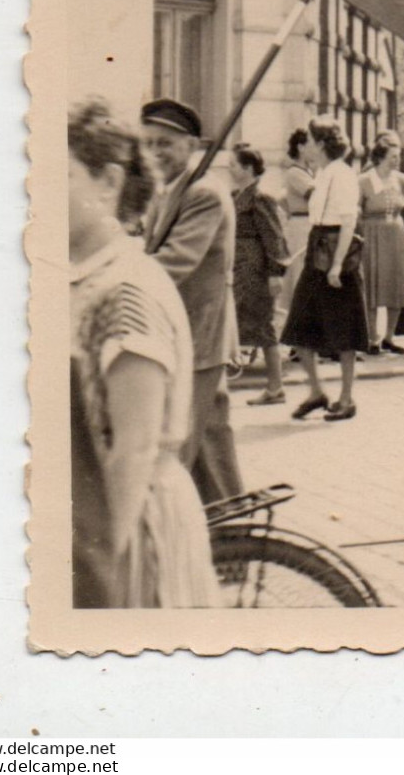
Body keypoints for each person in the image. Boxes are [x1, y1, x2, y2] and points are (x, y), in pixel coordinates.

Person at [69, 99, 219, 607]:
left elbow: (132, 449)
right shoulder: (84, 275)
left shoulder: (125, 290)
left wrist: (96, 570)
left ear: (109, 184)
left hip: (125, 524)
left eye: (54, 176)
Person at [139, 98, 244, 504]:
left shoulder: (205, 194)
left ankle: (190, 544)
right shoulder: (170, 192)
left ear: (192, 146)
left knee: (175, 455)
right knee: (212, 449)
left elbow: (174, 262)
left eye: (164, 144)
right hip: (186, 334)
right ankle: (239, 544)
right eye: (147, 143)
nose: (154, 153)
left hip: (198, 336)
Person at [280, 117, 368, 422]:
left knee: (344, 330)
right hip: (317, 251)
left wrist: (338, 265)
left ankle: (347, 398)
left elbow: (347, 222)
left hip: (334, 259)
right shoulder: (323, 172)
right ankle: (317, 391)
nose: (306, 146)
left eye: (310, 141)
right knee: (299, 328)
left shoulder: (342, 174)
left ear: (320, 144)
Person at [228, 144, 289, 406]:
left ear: (248, 168)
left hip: (255, 267)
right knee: (236, 323)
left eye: (233, 165)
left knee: (263, 325)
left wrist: (276, 273)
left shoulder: (261, 197)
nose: (230, 170)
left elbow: (273, 236)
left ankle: (276, 388)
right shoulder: (236, 194)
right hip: (237, 266)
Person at [359, 136, 404, 355]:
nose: (397, 161)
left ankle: (389, 337)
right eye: (393, 157)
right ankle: (373, 338)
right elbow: (356, 212)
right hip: (372, 235)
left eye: (398, 156)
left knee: (396, 285)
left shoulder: (400, 179)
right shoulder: (363, 180)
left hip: (396, 236)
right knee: (372, 286)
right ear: (380, 157)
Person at [274, 128, 315, 338]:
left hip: (308, 224)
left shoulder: (307, 172)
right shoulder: (295, 173)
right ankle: (299, 336)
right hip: (301, 225)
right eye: (311, 145)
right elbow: (315, 195)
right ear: (300, 147)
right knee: (300, 278)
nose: (315, 149)